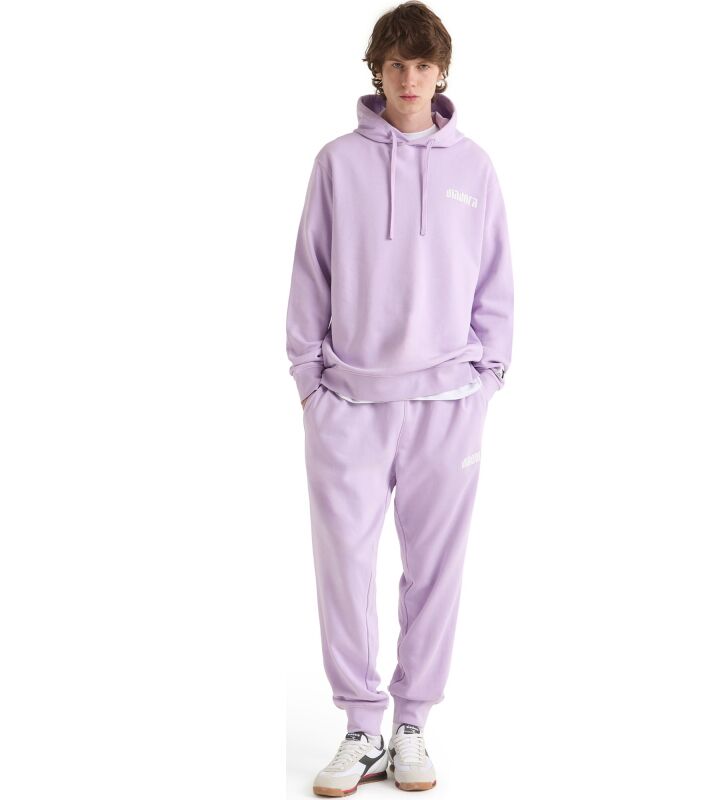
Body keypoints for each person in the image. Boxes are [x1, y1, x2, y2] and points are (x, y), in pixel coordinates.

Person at [285, 1, 514, 794]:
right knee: (344, 569)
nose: (409, 79)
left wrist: (488, 379)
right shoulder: (337, 163)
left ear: (441, 73)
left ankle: (411, 723)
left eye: (422, 65)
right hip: (348, 402)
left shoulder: (474, 168)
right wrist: (309, 383)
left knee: (435, 571)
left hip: (449, 402)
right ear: (377, 71)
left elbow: (496, 283)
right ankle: (360, 728)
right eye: (395, 65)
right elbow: (310, 274)